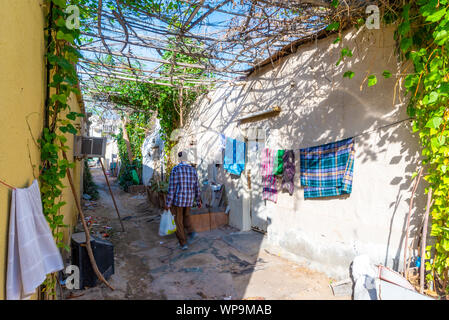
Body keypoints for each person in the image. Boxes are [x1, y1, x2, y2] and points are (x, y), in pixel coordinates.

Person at [164, 151, 202, 250]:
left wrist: (168, 203)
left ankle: (183, 243)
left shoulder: (176, 169)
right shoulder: (192, 170)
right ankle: (191, 232)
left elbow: (172, 188)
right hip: (189, 201)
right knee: (186, 216)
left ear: (179, 159)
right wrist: (198, 201)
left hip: (178, 201)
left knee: (178, 222)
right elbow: (197, 187)